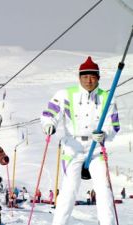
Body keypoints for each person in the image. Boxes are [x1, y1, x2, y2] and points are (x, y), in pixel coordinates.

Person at [41, 56, 120, 225]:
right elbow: (50, 113)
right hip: (73, 149)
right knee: (68, 192)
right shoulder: (66, 95)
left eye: (92, 76)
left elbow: (114, 125)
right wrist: (49, 124)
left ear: (98, 77)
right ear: (79, 78)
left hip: (96, 150)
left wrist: (105, 134)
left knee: (104, 191)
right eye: (85, 76)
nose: (89, 80)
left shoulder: (107, 97)